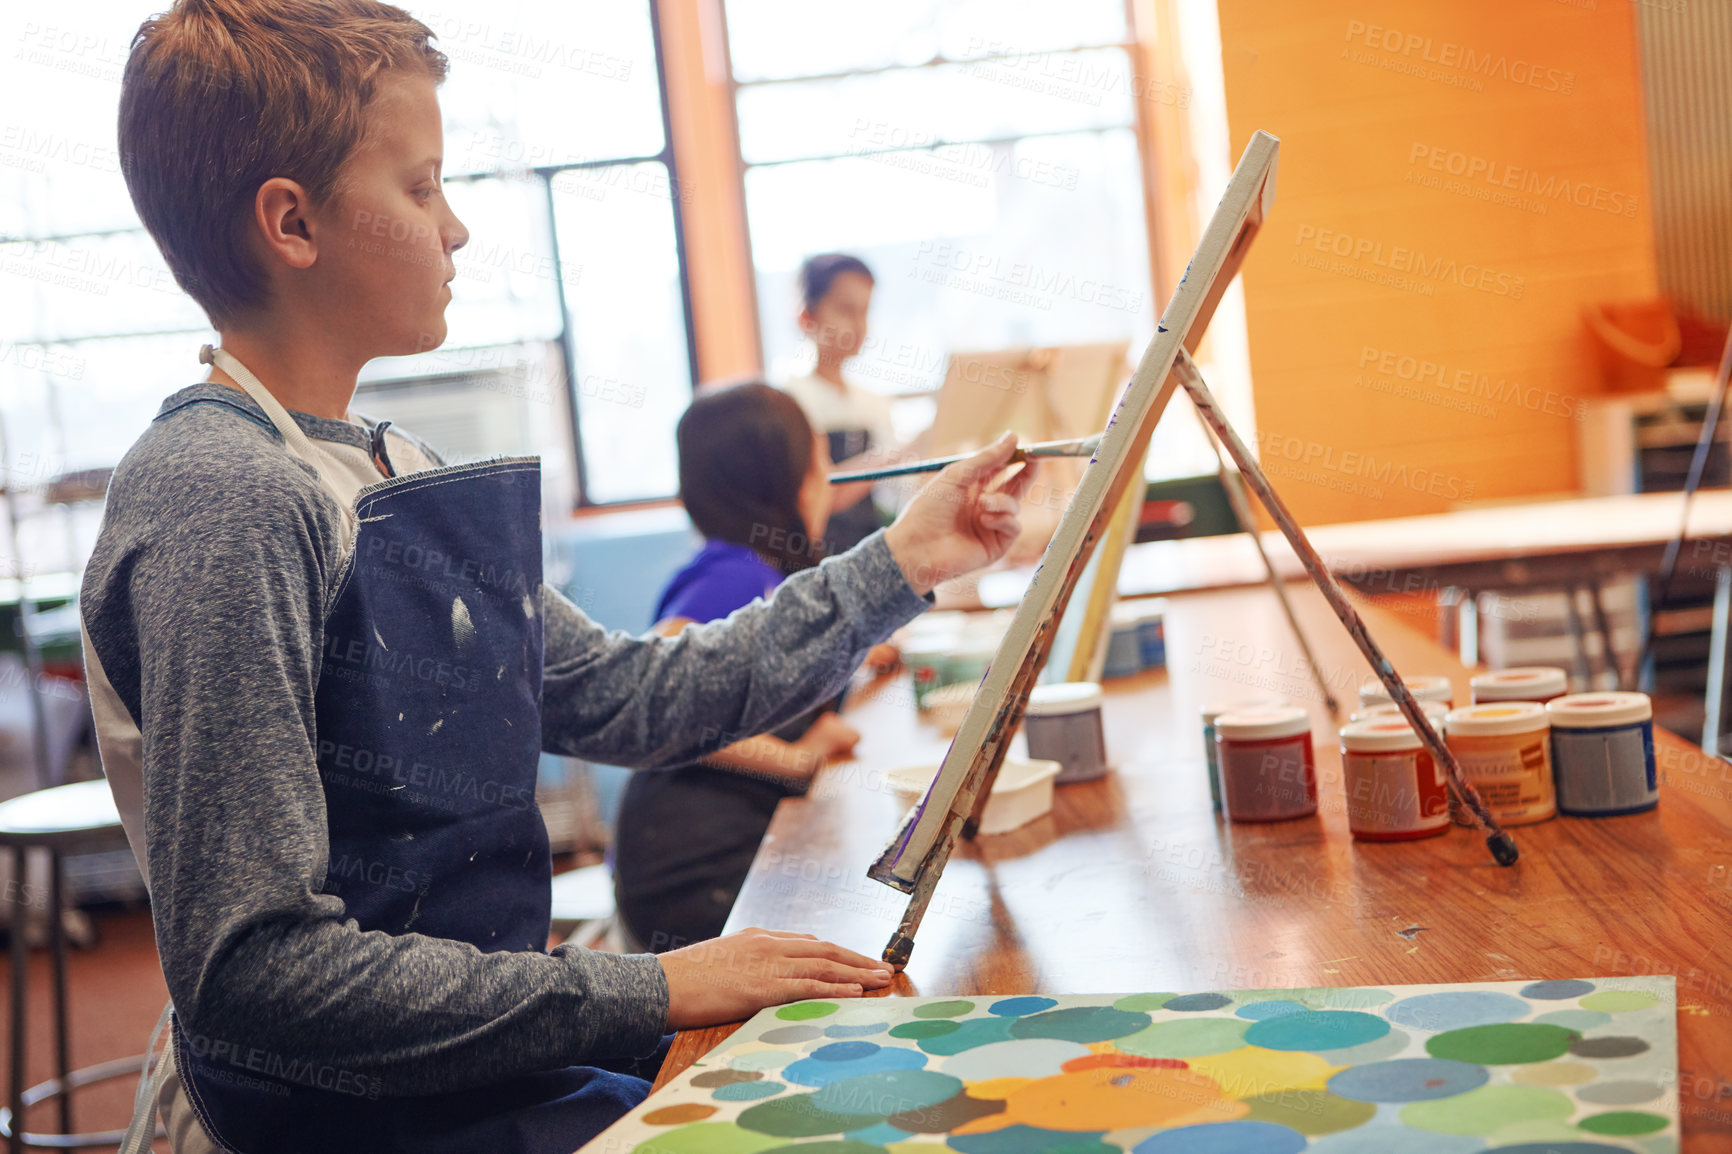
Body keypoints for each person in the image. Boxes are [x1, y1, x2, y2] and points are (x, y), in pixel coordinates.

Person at [79, 3, 1037, 1151]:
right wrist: (657, 985)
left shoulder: (388, 467)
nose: (458, 229)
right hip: (343, 1117)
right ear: (293, 223)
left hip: (474, 1062)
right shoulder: (223, 496)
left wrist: (905, 558)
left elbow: (636, 695)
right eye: (422, 188)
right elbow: (260, 970)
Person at [613, 381, 861, 953]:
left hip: (705, 849)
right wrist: (795, 759)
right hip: (694, 872)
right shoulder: (735, 573)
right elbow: (658, 702)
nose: (830, 483)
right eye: (820, 463)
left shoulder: (758, 567)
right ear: (783, 481)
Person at [782, 253, 901, 554]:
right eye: (846, 310)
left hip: (870, 548)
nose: (859, 326)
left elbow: (894, 496)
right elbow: (814, 496)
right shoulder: (788, 402)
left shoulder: (873, 402)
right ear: (806, 317)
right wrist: (885, 460)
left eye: (865, 311)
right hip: (815, 555)